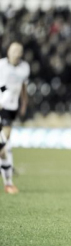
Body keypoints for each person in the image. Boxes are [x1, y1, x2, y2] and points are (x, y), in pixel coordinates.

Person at [0, 42, 30, 194]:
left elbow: (23, 86)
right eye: (13, 50)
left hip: (9, 107)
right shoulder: (1, 65)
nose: (16, 53)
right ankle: (8, 180)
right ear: (8, 51)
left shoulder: (25, 68)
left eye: (19, 50)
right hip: (2, 105)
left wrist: (24, 103)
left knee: (3, 146)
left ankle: (8, 181)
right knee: (4, 147)